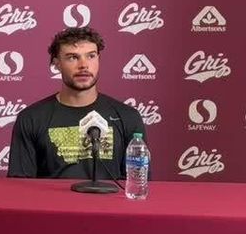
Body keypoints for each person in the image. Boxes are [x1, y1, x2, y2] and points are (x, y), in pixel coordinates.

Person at [8, 26, 146, 179]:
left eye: (91, 56)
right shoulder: (31, 118)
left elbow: (138, 184)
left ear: (99, 59)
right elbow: (20, 188)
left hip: (107, 203)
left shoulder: (127, 117)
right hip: (53, 203)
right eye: (72, 57)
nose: (83, 65)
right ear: (56, 63)